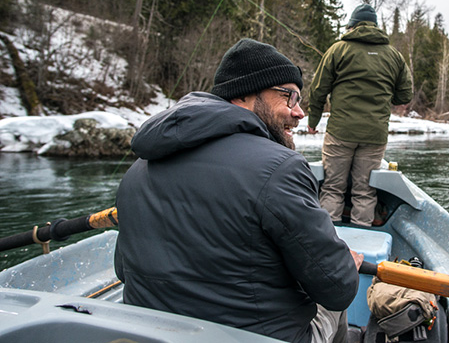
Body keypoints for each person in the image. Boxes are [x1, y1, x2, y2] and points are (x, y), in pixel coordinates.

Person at [114, 38, 363, 343]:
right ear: (244, 95)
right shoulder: (282, 168)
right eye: (290, 97)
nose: (299, 112)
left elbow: (123, 272)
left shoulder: (138, 168)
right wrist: (347, 265)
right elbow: (336, 288)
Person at [307, 4, 413, 227]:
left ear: (352, 25)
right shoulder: (394, 55)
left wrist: (313, 121)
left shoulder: (338, 49)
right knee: (365, 191)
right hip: (375, 134)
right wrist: (383, 97)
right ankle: (362, 239)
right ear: (375, 26)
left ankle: (328, 239)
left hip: (340, 132)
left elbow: (318, 90)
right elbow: (405, 94)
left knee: (333, 187)